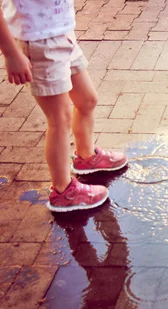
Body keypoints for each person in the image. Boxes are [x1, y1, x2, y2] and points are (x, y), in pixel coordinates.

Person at [0, 0, 127, 212]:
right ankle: (63, 192)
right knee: (60, 120)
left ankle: (86, 157)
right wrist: (11, 54)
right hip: (39, 41)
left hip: (62, 33)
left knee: (87, 100)